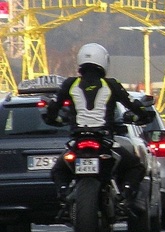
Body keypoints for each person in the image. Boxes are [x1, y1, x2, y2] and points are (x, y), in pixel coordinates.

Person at [46, 43, 154, 203]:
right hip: (104, 140)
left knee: (59, 169)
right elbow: (133, 104)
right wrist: (143, 115)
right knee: (135, 167)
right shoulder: (111, 85)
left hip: (78, 140)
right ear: (104, 61)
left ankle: (63, 193)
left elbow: (52, 110)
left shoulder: (70, 84)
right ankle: (124, 195)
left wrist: (57, 120)